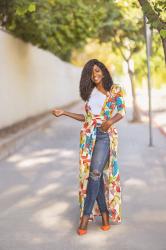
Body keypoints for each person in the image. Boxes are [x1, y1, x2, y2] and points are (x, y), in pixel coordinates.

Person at [52, 59, 126, 236]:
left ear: (103, 71)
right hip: (88, 137)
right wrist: (64, 113)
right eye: (92, 74)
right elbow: (86, 118)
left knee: (94, 173)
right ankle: (105, 215)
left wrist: (109, 121)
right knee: (95, 175)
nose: (95, 76)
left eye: (98, 71)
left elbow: (122, 112)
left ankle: (85, 217)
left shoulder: (115, 89)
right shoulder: (91, 94)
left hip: (104, 137)